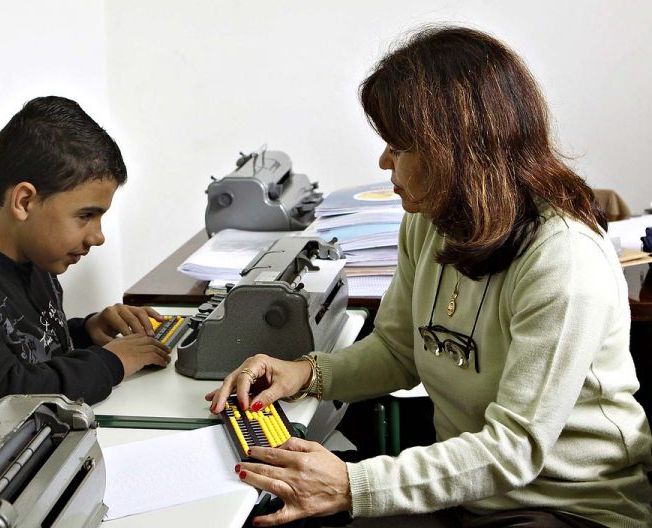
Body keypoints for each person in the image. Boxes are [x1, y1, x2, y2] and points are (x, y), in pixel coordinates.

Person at [207, 26, 652, 527]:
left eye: (397, 147)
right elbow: (399, 351)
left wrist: (353, 484)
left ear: (456, 152)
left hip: (569, 509)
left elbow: (515, 450)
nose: (383, 162)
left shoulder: (562, 261)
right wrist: (307, 373)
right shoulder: (428, 223)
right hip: (470, 494)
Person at [0, 96, 172, 420]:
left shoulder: (34, 258)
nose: (98, 236)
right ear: (24, 201)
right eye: (86, 215)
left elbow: (25, 348)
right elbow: (4, 400)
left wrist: (88, 332)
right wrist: (111, 363)